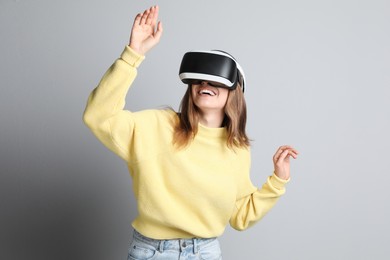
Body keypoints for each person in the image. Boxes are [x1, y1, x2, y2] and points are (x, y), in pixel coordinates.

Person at [83, 5, 298, 260]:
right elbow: (98, 116)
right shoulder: (157, 125)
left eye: (214, 80)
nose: (204, 85)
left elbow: (241, 217)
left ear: (234, 92)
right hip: (151, 251)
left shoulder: (236, 148)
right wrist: (133, 54)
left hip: (205, 252)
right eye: (198, 80)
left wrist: (277, 181)